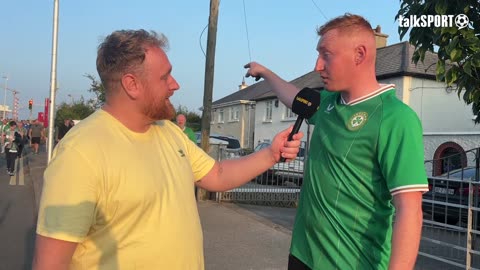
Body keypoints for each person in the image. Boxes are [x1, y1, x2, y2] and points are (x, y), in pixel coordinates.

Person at [33, 29, 303, 270]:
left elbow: (217, 174)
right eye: (165, 77)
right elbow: (50, 263)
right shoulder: (81, 152)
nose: (175, 85)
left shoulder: (167, 131)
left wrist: (270, 154)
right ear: (132, 84)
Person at [245, 13, 428, 270]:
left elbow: (409, 211)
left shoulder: (396, 118)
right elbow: (293, 96)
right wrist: (264, 72)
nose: (318, 66)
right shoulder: (328, 105)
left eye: (326, 55)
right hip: (302, 254)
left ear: (360, 55)